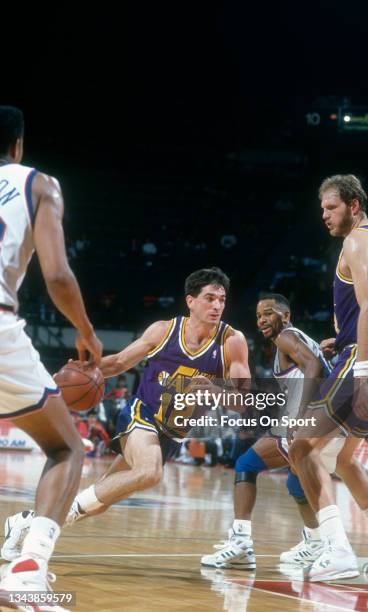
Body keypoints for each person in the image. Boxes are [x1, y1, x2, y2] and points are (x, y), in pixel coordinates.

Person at [1, 267, 250, 547]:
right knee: (150, 472)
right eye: (209, 298)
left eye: (221, 299)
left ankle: (27, 522)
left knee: (100, 501)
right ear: (190, 301)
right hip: (142, 415)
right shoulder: (164, 330)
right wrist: (82, 371)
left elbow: (244, 402)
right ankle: (40, 533)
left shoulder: (232, 342)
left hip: (172, 434)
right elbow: (119, 363)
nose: (217, 305)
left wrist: (217, 391)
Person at [200, 293, 368, 573]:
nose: (262, 320)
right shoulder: (305, 342)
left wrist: (302, 415)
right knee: (299, 483)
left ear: (286, 315)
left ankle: (242, 544)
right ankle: (318, 542)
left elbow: (314, 367)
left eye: (268, 313)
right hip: (322, 416)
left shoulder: (286, 339)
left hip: (299, 423)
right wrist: (367, 434)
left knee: (247, 464)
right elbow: (330, 377)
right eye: (258, 316)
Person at [0, 106, 102, 605]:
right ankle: (27, 566)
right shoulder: (38, 183)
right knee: (67, 448)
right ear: (17, 144)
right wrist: (85, 331)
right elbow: (58, 275)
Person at [288, 174, 368, 582]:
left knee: (301, 445)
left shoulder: (356, 241)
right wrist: (344, 337)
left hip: (366, 359)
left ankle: (336, 551)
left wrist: (359, 373)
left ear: (354, 205)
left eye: (331, 207)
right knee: (342, 459)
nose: (324, 215)